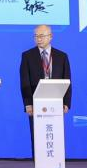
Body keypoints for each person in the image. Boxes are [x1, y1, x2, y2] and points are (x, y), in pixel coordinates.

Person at [19, 24, 71, 152]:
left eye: (41, 36)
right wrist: (28, 104)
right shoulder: (27, 56)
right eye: (36, 36)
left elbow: (67, 80)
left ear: (50, 36)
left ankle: (55, 163)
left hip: (56, 104)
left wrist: (66, 102)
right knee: (37, 138)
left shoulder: (62, 56)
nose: (38, 39)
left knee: (54, 136)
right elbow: (24, 81)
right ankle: (38, 164)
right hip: (36, 104)